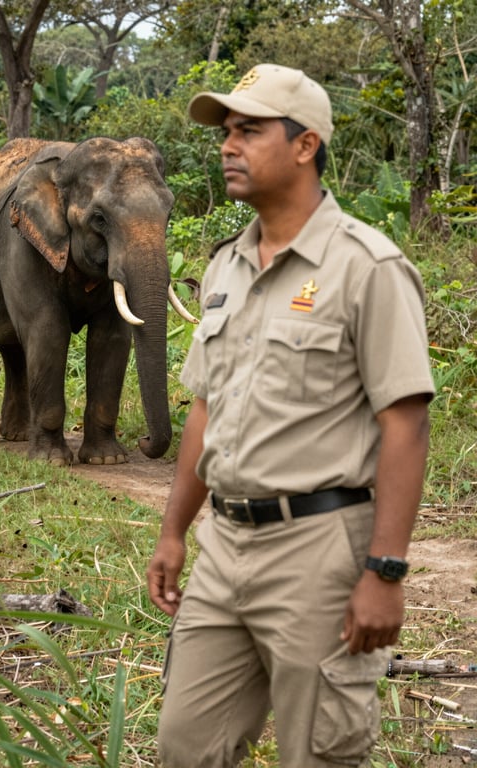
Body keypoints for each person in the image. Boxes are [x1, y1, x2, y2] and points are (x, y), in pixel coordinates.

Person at [146, 63, 434, 768]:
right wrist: (174, 530)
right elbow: (205, 410)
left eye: (248, 130)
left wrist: (385, 570)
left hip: (319, 548)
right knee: (186, 748)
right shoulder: (225, 268)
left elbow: (406, 422)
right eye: (225, 132)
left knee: (320, 754)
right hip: (226, 546)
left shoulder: (367, 265)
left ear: (305, 146)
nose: (227, 146)